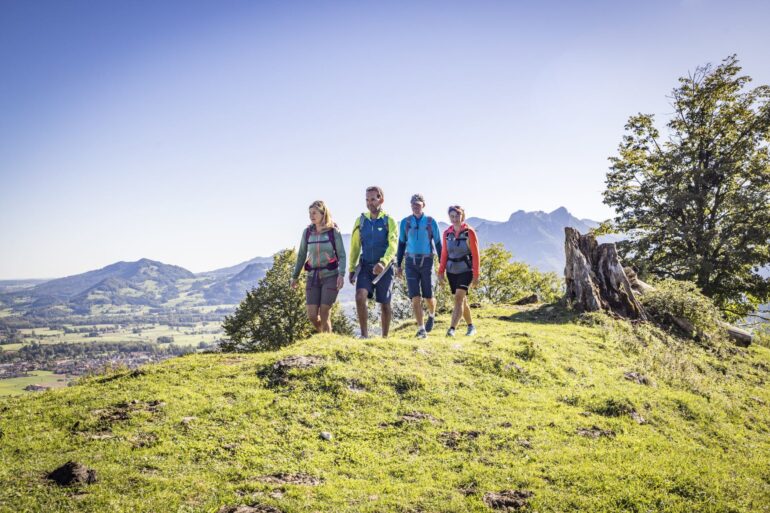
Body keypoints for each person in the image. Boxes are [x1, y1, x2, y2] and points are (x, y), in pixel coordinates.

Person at [348, 186, 399, 338]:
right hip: (365, 266)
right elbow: (355, 246)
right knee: (359, 296)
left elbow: (393, 245)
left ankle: (384, 338)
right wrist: (351, 268)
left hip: (385, 268)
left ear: (381, 200)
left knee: (385, 303)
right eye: (367, 199)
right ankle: (364, 335)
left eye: (373, 199)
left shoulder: (389, 221)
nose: (369, 203)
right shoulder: (360, 221)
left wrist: (383, 262)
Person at [291, 200, 346, 333]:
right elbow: (301, 255)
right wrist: (295, 276)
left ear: (323, 213)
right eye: (310, 213)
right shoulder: (307, 232)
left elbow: (342, 255)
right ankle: (326, 335)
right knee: (312, 315)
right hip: (312, 277)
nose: (311, 216)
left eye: (314, 213)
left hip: (331, 276)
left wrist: (341, 274)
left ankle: (326, 342)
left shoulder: (333, 232)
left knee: (325, 311)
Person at [396, 193, 442, 339]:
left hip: (427, 261)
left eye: (418, 204)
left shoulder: (430, 222)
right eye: (413, 204)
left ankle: (432, 314)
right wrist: (398, 265)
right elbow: (401, 244)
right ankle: (421, 329)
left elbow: (439, 244)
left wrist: (442, 265)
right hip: (410, 262)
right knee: (415, 297)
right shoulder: (405, 222)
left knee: (428, 297)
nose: (415, 207)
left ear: (423, 205)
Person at [438, 205, 480, 336]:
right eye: (452, 216)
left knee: (458, 298)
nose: (455, 219)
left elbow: (476, 254)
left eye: (457, 216)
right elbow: (444, 254)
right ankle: (471, 326)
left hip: (466, 270)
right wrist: (440, 272)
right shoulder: (446, 233)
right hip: (451, 271)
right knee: (462, 300)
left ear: (462, 216)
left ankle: (452, 329)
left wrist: (476, 274)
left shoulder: (469, 232)